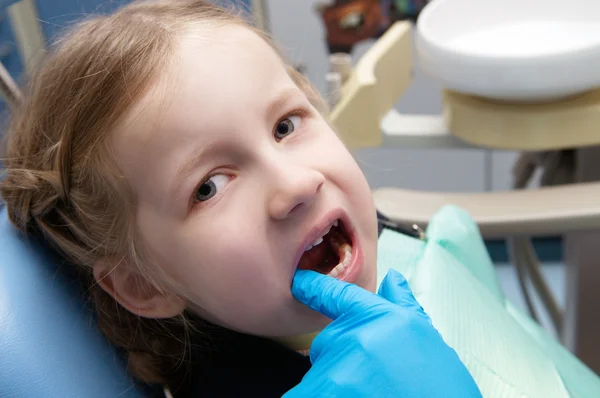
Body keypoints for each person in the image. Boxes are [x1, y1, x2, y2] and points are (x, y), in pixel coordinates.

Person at [0, 1, 480, 396]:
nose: (295, 184)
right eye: (209, 187)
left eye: (285, 126)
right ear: (144, 286)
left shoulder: (360, 227)